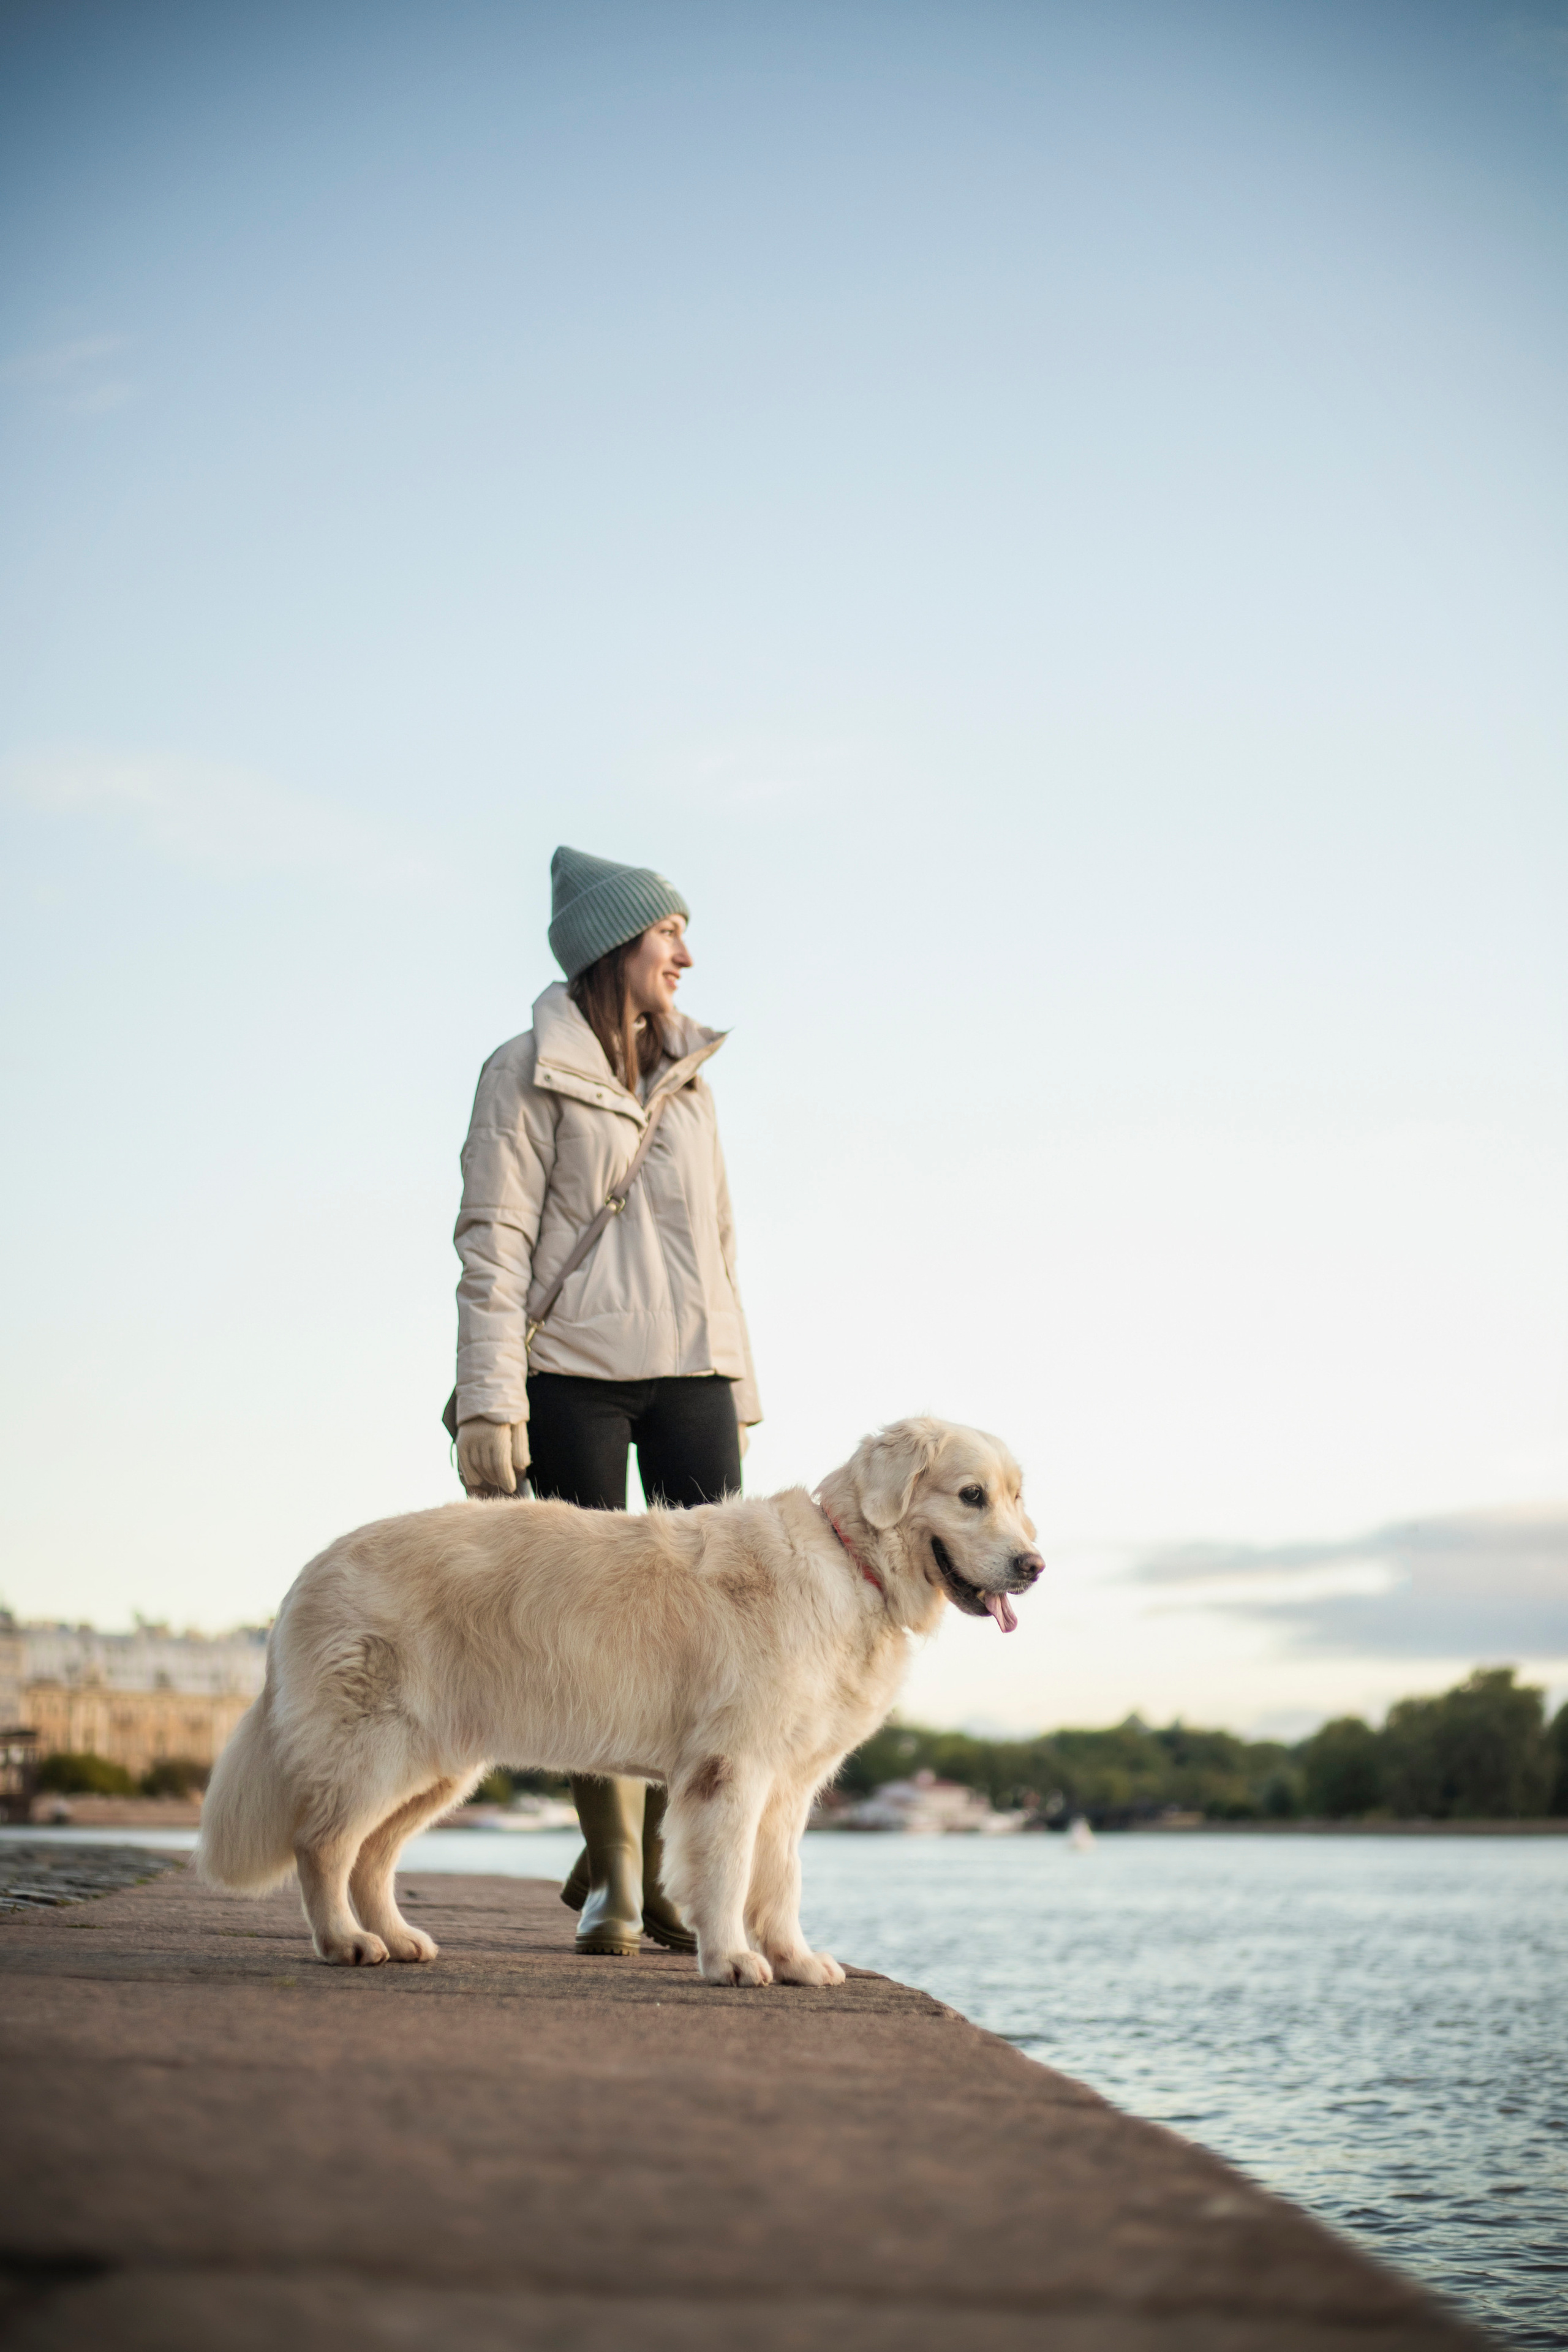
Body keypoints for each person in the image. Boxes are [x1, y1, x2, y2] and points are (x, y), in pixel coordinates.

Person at [451, 843, 761, 1954]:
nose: (688, 952)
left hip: (693, 1376)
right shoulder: (519, 1072)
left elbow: (719, 1249)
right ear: (610, 946)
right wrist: (491, 1403)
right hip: (569, 1378)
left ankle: (669, 1876)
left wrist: (739, 1380)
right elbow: (495, 1246)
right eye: (668, 931)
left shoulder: (696, 1088)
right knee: (588, 1640)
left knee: (716, 1638)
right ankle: (616, 1892)